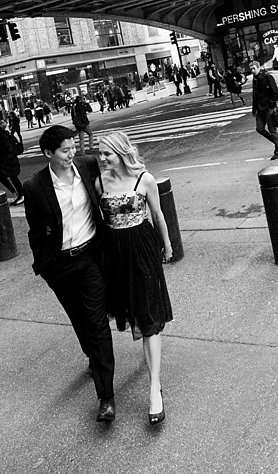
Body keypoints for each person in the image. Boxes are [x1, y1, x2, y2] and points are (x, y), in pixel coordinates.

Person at [23, 125, 116, 422]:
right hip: (60, 265)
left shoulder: (87, 165)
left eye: (73, 147)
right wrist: (44, 263)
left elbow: (114, 177)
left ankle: (106, 397)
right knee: (79, 319)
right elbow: (35, 230)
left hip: (90, 256)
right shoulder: (35, 186)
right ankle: (94, 357)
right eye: (65, 150)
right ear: (48, 154)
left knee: (96, 322)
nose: (72, 153)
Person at [93, 131, 174, 425]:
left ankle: (155, 391)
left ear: (121, 154)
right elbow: (102, 223)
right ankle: (152, 370)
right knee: (136, 314)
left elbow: (158, 214)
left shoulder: (144, 180)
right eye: (99, 153)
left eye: (106, 154)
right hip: (115, 254)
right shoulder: (100, 182)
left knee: (149, 317)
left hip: (141, 248)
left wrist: (167, 245)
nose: (101, 159)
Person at [248, 60, 278, 160]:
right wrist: (254, 109)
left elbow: (275, 91)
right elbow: (254, 94)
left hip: (268, 107)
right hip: (259, 108)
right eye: (251, 69)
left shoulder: (267, 76)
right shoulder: (255, 79)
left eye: (253, 69)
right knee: (259, 128)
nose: (252, 71)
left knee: (272, 129)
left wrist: (272, 104)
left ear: (258, 67)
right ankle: (276, 141)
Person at [0, 121, 25, 205]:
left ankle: (21, 195)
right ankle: (17, 194)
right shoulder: (2, 136)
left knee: (12, 178)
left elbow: (7, 149)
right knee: (8, 178)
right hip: (7, 162)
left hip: (9, 162)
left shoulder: (4, 137)